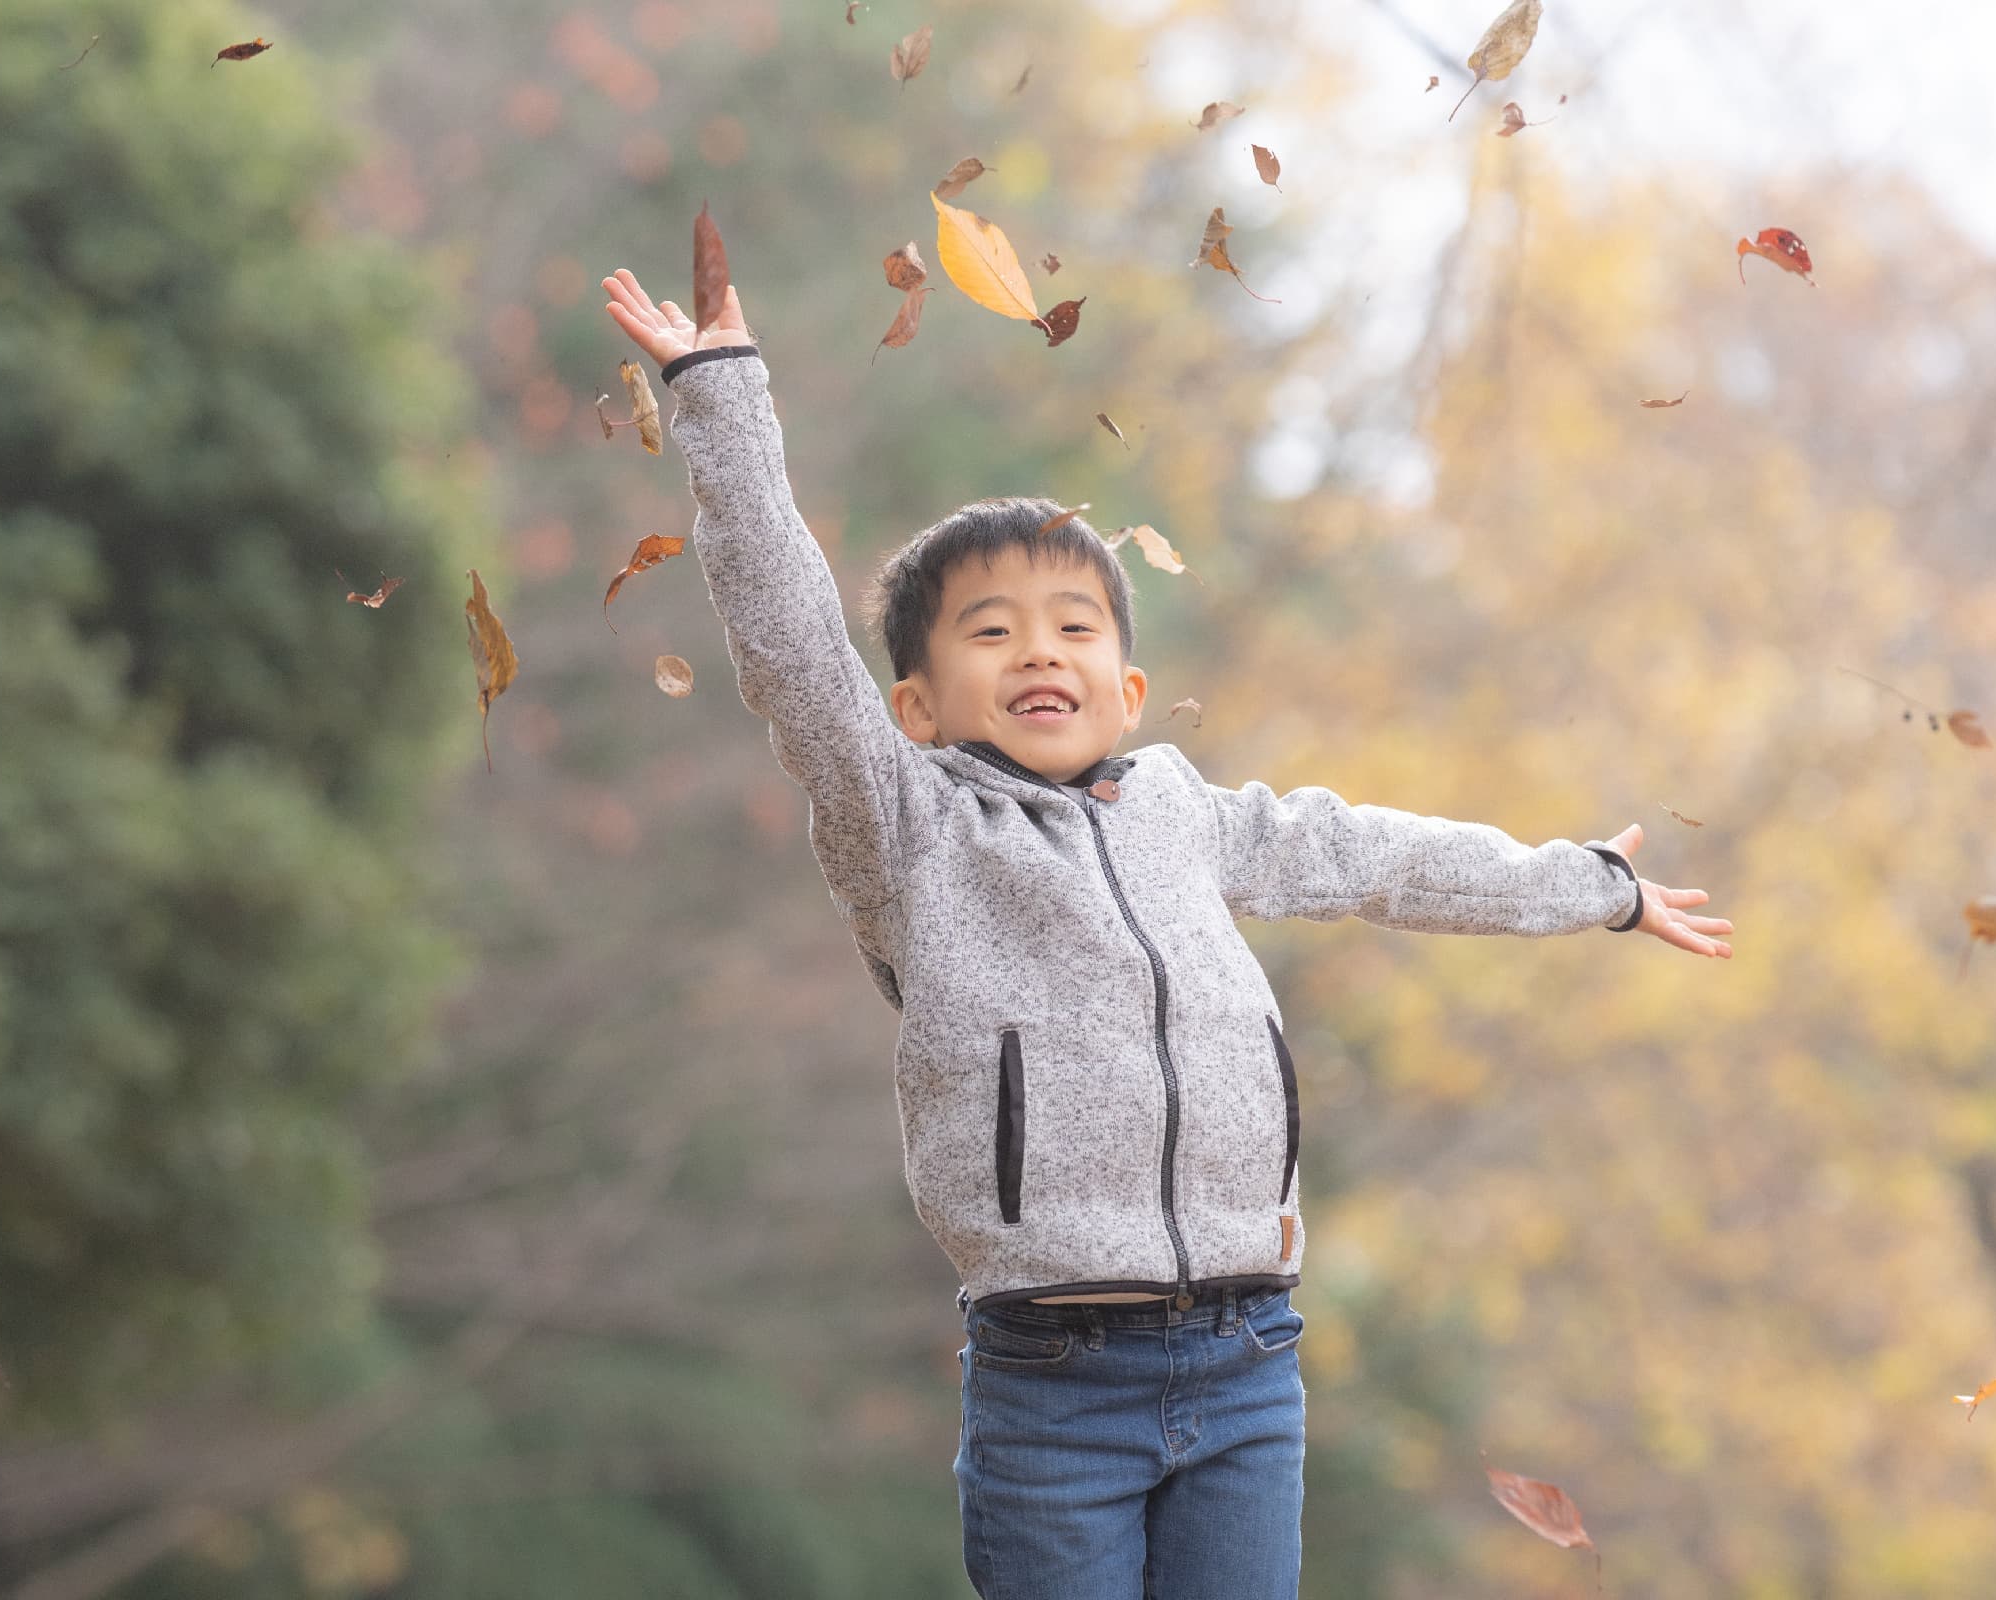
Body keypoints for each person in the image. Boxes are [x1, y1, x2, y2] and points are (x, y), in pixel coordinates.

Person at [602, 268, 1733, 1600]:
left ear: (1128, 691)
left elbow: (1370, 854)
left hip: (1250, 1356)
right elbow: (792, 647)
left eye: (1075, 627)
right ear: (914, 704)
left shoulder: (1182, 813)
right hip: (1055, 1381)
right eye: (992, 631)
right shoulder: (906, 824)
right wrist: (722, 404)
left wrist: (1585, 884)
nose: (1041, 652)